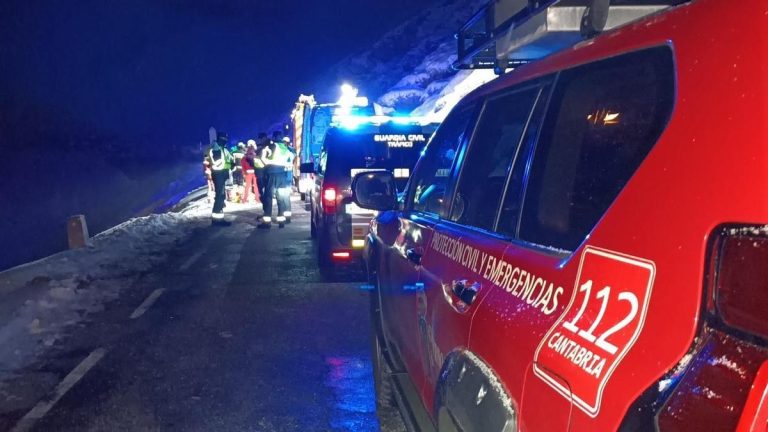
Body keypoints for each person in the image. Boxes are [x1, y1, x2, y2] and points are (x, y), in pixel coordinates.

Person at [259, 133, 294, 229]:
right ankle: (281, 221)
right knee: (281, 198)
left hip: (272, 173)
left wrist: (267, 164)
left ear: (274, 137)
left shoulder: (271, 146)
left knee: (268, 197)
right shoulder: (285, 148)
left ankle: (267, 222)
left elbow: (263, 157)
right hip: (282, 174)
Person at [204, 133, 233, 224]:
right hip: (218, 174)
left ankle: (219, 218)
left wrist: (232, 164)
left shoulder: (224, 149)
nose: (226, 140)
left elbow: (230, 159)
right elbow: (217, 162)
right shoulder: (215, 148)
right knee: (220, 196)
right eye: (224, 138)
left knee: (221, 196)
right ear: (221, 138)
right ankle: (217, 220)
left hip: (222, 174)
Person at [242, 140, 260, 204]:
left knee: (247, 186)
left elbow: (243, 164)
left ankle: (245, 199)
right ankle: (257, 199)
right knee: (256, 186)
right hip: (255, 171)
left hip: (248, 172)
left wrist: (243, 172)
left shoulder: (245, 156)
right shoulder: (255, 155)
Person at [254, 132, 268, 199]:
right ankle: (263, 195)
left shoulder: (265, 147)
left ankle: (264, 196)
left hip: (263, 169)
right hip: (260, 169)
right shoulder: (259, 147)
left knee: (263, 184)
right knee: (261, 184)